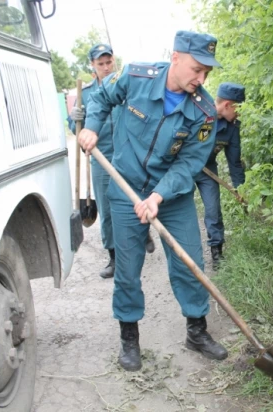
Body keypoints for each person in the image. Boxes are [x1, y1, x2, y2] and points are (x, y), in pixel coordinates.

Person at [77, 31, 227, 372]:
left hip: (171, 196)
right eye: (196, 69)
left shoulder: (204, 113)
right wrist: (93, 128)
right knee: (127, 270)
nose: (201, 79)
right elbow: (100, 100)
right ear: (175, 57)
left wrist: (159, 196)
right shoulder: (135, 76)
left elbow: (189, 163)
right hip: (125, 187)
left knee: (189, 261)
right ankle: (129, 338)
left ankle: (197, 331)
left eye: (207, 73)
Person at [68, 44, 155, 280]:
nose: (106, 68)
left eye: (109, 63)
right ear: (92, 66)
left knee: (136, 199)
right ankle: (114, 257)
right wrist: (74, 118)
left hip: (129, 155)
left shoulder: (125, 85)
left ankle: (143, 233)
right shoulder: (85, 94)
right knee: (107, 210)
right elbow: (75, 127)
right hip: (102, 157)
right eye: (100, 64)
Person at [195, 82, 245, 270]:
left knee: (213, 210)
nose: (240, 113)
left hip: (208, 170)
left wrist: (241, 189)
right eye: (238, 108)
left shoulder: (232, 128)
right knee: (179, 208)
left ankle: (217, 253)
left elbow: (235, 162)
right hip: (184, 167)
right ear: (227, 105)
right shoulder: (198, 113)